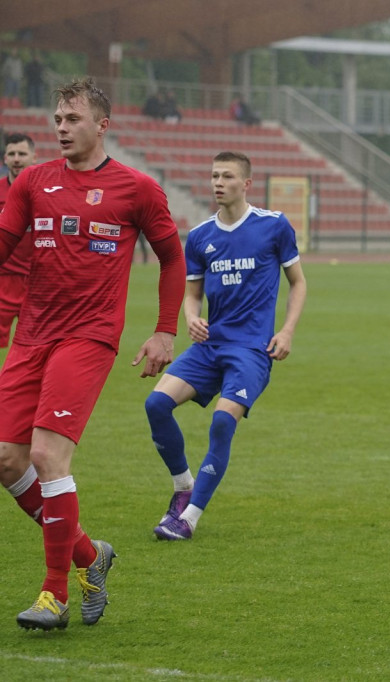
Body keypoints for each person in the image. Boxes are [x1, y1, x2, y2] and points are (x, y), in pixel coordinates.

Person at [0, 77, 186, 630]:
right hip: (31, 335)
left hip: (89, 338)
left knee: (47, 458)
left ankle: (53, 595)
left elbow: (172, 260)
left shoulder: (138, 189)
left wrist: (163, 331)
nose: (61, 127)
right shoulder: (32, 181)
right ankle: (89, 555)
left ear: (102, 125)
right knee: (7, 460)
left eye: (72, 119)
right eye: (57, 118)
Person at [145, 151, 306, 541]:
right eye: (214, 175)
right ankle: (184, 487)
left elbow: (298, 282)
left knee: (221, 423)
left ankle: (189, 518)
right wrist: (191, 317)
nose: (218, 182)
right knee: (156, 404)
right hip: (211, 345)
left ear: (246, 184)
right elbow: (192, 293)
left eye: (227, 176)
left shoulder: (274, 226)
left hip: (251, 350)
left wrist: (286, 332)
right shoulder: (200, 236)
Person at [0, 133, 37, 349]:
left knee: (35, 346)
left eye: (22, 153)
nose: (16, 158)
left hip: (36, 282)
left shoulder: (46, 193)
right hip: (3, 279)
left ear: (34, 157)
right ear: (5, 159)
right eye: (11, 154)